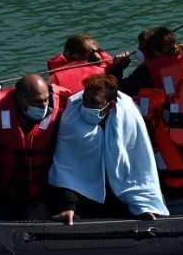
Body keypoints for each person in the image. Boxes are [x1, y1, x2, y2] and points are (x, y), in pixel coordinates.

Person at [46, 74, 168, 224]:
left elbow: (139, 164)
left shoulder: (129, 116)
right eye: (84, 99)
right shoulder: (72, 118)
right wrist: (68, 205)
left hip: (118, 192)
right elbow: (67, 166)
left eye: (94, 103)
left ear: (110, 105)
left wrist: (143, 206)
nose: (86, 106)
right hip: (84, 195)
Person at [119, 26, 183, 196]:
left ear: (149, 49)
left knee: (175, 163)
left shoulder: (147, 70)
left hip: (169, 129)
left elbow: (119, 90)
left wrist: (117, 68)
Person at [0, 73, 70, 220]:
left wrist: (66, 202)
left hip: (41, 192)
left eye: (46, 100)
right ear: (21, 100)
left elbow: (67, 160)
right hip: (5, 191)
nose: (44, 106)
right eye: (37, 102)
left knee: (38, 221)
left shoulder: (58, 115)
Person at [45, 33, 132, 94]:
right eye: (91, 52)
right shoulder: (57, 77)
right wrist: (118, 67)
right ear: (74, 55)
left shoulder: (53, 78)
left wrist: (118, 66)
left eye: (98, 51)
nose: (98, 56)